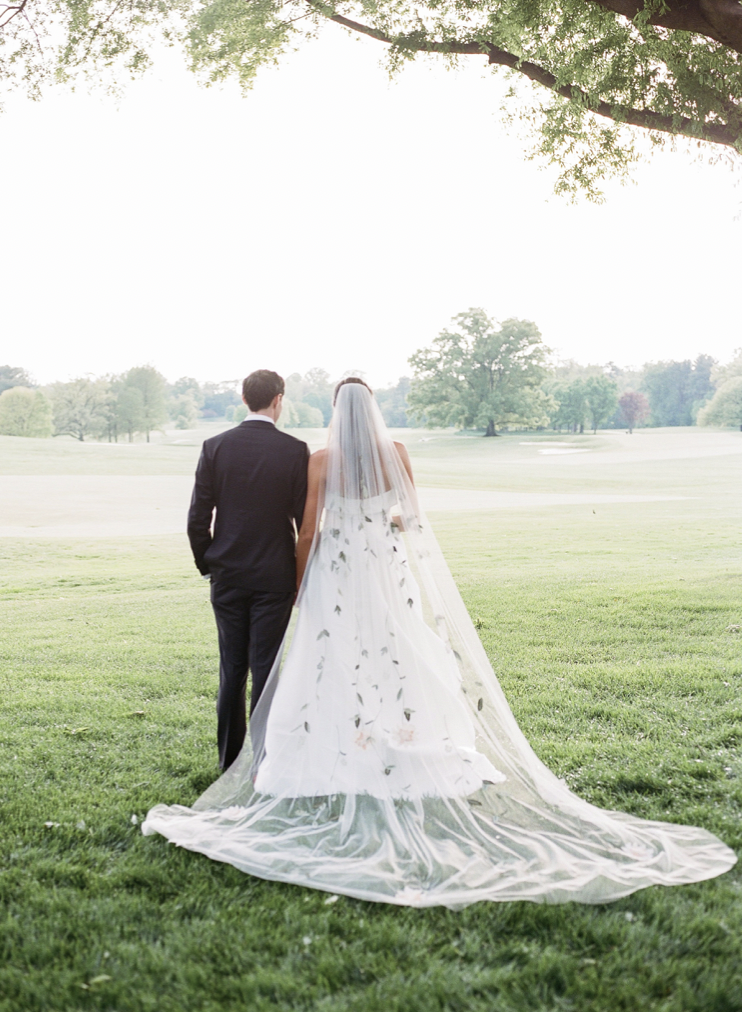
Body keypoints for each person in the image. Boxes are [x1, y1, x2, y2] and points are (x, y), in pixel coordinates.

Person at [145, 378, 735, 908]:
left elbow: (308, 531)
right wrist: (385, 528)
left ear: (334, 412)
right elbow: (412, 517)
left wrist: (300, 584)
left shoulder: (320, 460)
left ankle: (319, 747)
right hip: (387, 568)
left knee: (333, 656)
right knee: (399, 653)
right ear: (372, 410)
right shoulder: (395, 454)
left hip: (337, 573)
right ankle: (403, 738)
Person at [186, 369, 309, 771]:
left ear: (244, 399)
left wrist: (209, 564)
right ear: (278, 400)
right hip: (275, 578)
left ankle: (228, 764)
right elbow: (302, 519)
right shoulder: (295, 450)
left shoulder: (215, 446)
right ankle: (263, 766)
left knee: (232, 670)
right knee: (266, 671)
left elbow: (197, 518)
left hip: (228, 576)